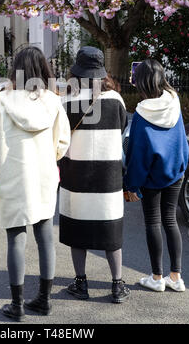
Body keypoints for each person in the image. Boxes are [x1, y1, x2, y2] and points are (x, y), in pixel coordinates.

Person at [0, 46, 71, 321]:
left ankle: (17, 305)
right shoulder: (53, 102)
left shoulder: (3, 101)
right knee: (45, 237)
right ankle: (43, 300)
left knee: (16, 239)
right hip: (43, 176)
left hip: (13, 176)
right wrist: (48, 155)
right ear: (44, 69)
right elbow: (62, 143)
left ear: (15, 70)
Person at [59, 46, 130, 304]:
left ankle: (81, 283)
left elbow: (60, 137)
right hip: (108, 177)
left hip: (76, 175)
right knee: (111, 233)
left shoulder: (66, 101)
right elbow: (121, 130)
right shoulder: (116, 101)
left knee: (78, 231)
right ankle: (117, 285)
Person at [124, 59, 189, 292]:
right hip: (175, 171)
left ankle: (157, 277)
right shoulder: (175, 102)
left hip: (152, 176)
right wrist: (180, 166)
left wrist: (131, 184)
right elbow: (181, 139)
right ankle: (176, 277)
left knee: (153, 222)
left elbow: (138, 153)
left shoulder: (143, 112)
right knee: (170, 221)